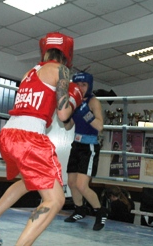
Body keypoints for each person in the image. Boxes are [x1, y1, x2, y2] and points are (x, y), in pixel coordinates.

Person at [0, 32, 82, 246]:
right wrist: (73, 100)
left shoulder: (29, 73)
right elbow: (63, 115)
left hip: (8, 134)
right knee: (55, 199)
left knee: (28, 181)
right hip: (29, 138)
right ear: (67, 53)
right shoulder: (61, 70)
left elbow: (47, 110)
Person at [63, 71, 107, 231]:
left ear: (89, 86)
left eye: (84, 84)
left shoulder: (93, 101)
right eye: (78, 84)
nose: (80, 88)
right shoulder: (74, 101)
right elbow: (68, 126)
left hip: (89, 147)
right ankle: (79, 210)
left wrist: (86, 114)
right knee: (72, 183)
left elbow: (100, 126)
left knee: (82, 185)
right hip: (76, 145)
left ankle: (100, 212)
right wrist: (63, 114)